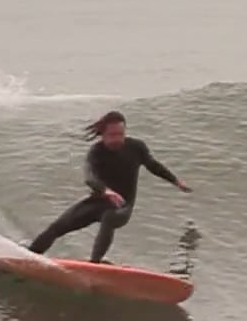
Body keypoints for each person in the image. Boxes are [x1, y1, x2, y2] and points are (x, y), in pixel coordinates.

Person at [26, 110, 192, 263]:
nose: (117, 139)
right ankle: (27, 256)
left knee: (109, 218)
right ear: (103, 135)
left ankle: (95, 264)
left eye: (120, 134)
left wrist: (176, 181)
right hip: (97, 202)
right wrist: (106, 191)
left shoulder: (136, 147)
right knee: (57, 227)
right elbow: (89, 178)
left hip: (122, 205)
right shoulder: (96, 152)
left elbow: (153, 165)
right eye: (112, 135)